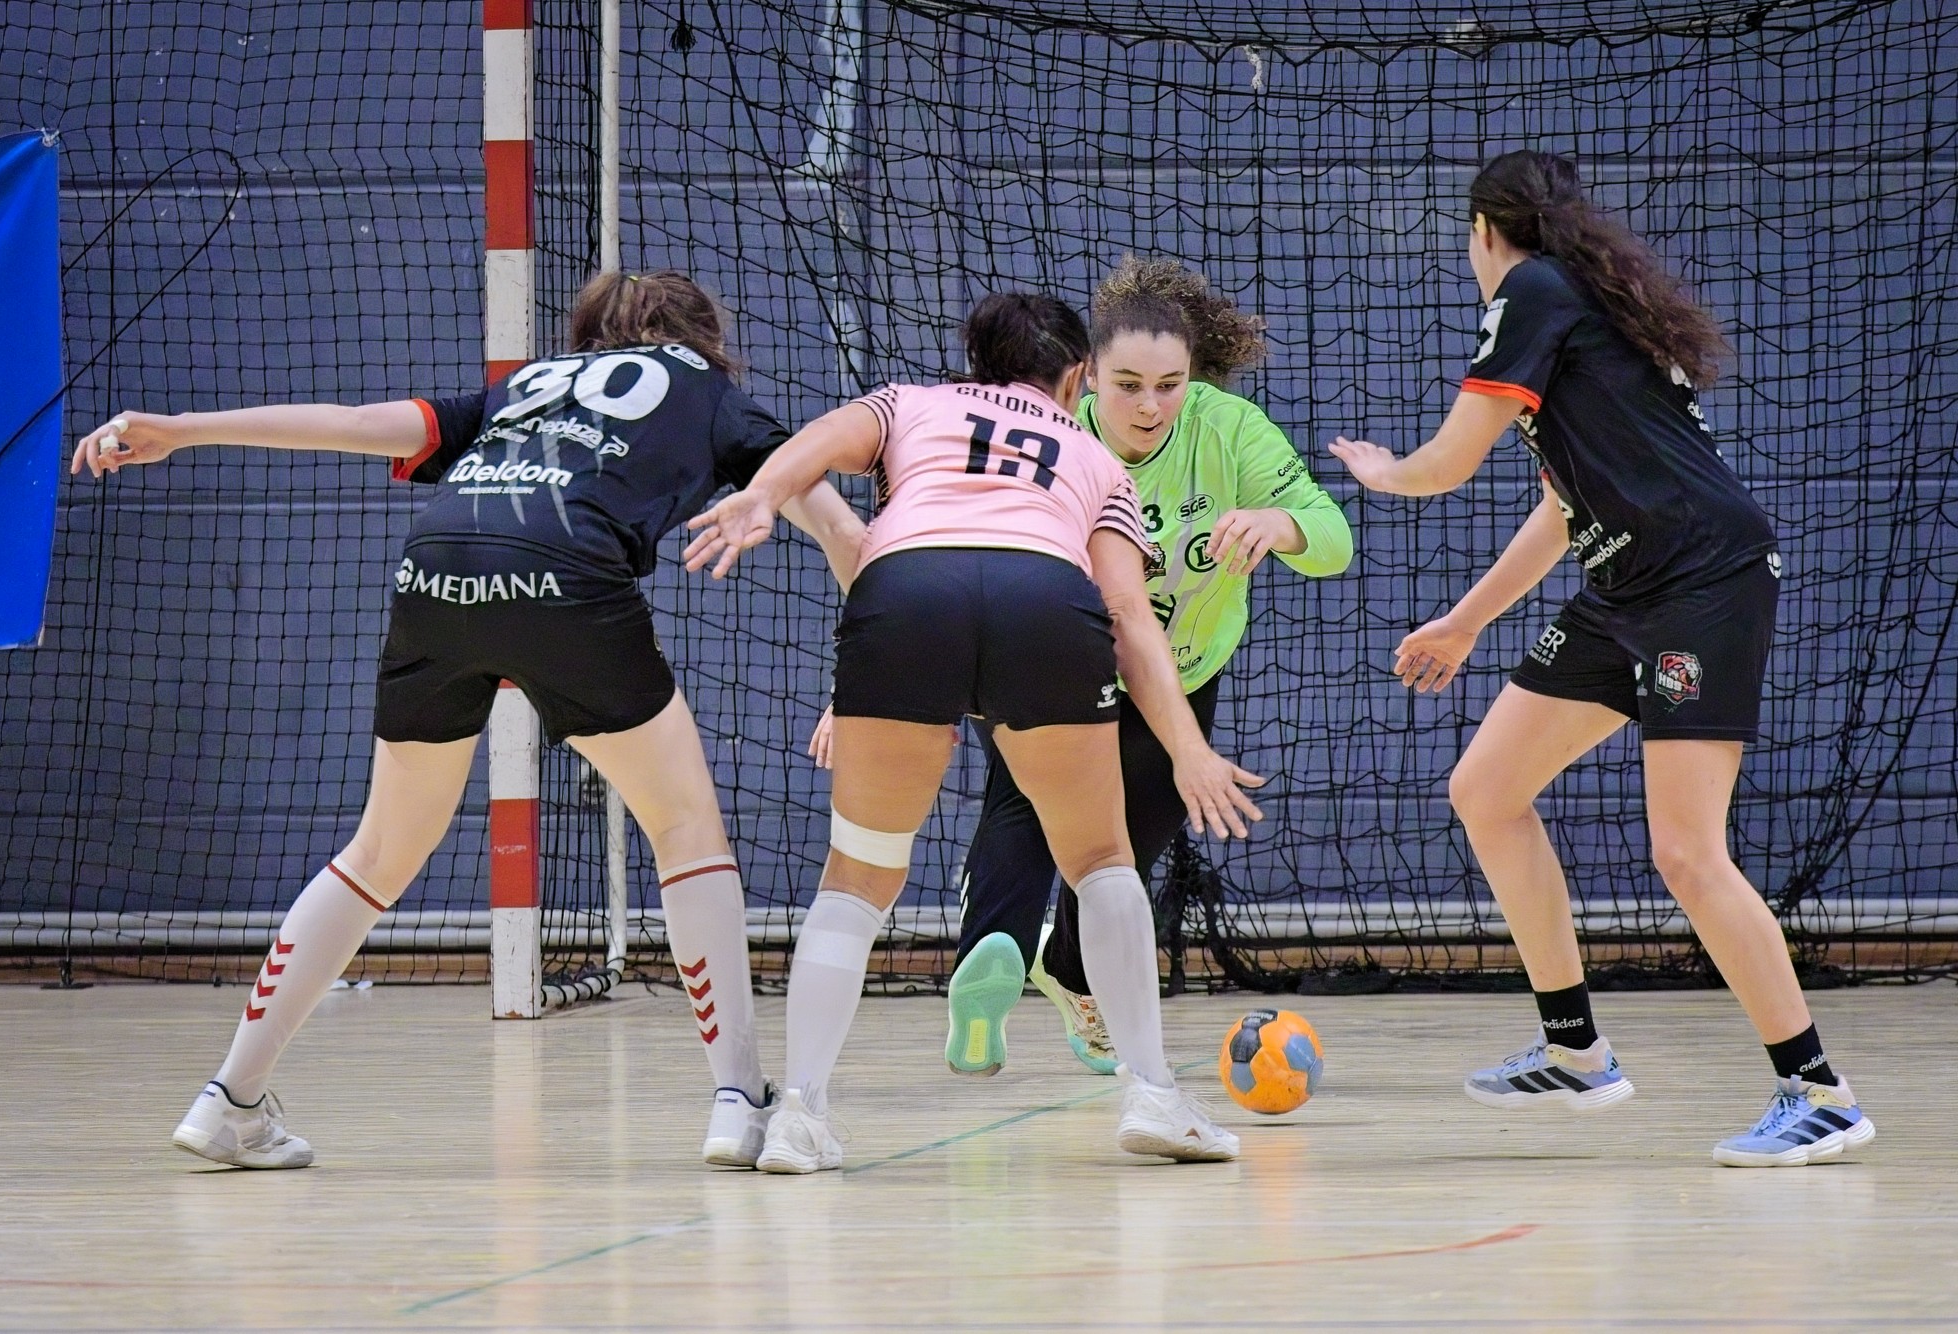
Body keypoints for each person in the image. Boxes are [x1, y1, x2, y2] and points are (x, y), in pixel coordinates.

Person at [74, 270, 866, 1171]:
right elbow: (845, 535)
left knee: (379, 851)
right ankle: (739, 1102)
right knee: (684, 830)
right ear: (704, 338)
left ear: (588, 334)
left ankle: (231, 1098)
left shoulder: (527, 386)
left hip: (437, 569)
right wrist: (860, 681)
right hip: (567, 575)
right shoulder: (713, 396)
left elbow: (356, 422)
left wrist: (183, 430)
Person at [1329, 150, 1874, 1167]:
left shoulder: (1531, 290)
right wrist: (1465, 621)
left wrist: (1384, 473)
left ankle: (1818, 1091)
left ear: (1483, 232)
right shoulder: (1585, 308)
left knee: (1686, 851)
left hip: (1698, 584)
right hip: (1624, 588)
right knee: (1486, 789)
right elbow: (1560, 510)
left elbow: (1447, 463)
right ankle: (1574, 1048)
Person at [685, 292, 1264, 1172]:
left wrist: (762, 497)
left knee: (857, 878)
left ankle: (799, 1115)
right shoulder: (1096, 459)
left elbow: (816, 443)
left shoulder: (910, 403)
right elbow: (1127, 612)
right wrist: (1187, 749)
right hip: (1044, 602)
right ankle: (1153, 1095)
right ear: (1077, 377)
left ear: (975, 359)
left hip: (907, 594)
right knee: (1101, 862)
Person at [934, 257, 1351, 1077]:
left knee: (1126, 848)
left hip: (1180, 670)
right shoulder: (1056, 436)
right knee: (1028, 801)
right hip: (1057, 658)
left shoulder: (1228, 428)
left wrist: (1281, 526)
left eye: (1169, 385)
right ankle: (990, 957)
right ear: (1088, 375)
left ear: (1193, 377)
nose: (1151, 406)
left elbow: (1333, 538)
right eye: (1128, 386)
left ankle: (1069, 972)